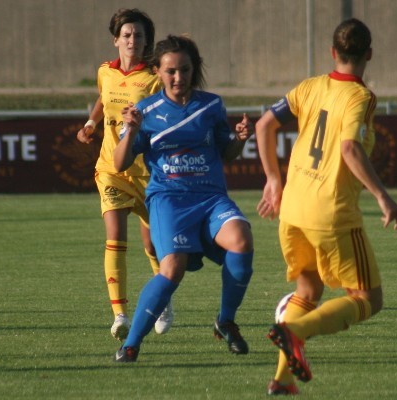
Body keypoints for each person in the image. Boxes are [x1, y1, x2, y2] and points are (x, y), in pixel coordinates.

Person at [255, 18, 397, 395]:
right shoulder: (362, 97)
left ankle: (283, 380)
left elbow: (264, 125)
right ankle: (296, 331)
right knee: (368, 298)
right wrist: (383, 196)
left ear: (333, 53)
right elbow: (350, 148)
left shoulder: (310, 87)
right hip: (330, 211)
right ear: (369, 54)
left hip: (293, 209)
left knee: (307, 290)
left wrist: (274, 179)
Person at [112, 34, 255, 362]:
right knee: (172, 268)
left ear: (195, 70)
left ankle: (226, 321)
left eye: (185, 70)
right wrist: (131, 130)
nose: (179, 78)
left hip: (210, 197)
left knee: (242, 240)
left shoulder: (211, 105)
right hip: (169, 199)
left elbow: (227, 152)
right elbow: (119, 163)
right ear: (158, 72)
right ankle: (131, 343)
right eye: (171, 71)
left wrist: (241, 139)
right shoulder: (145, 110)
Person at [76, 8, 173, 343]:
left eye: (140, 35)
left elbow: (170, 114)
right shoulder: (105, 71)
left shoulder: (156, 77)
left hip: (149, 174)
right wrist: (90, 123)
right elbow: (104, 98)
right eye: (127, 34)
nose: (133, 40)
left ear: (148, 42)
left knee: (153, 243)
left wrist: (144, 123)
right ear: (116, 39)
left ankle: (162, 300)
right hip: (111, 169)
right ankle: (120, 315)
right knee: (115, 237)